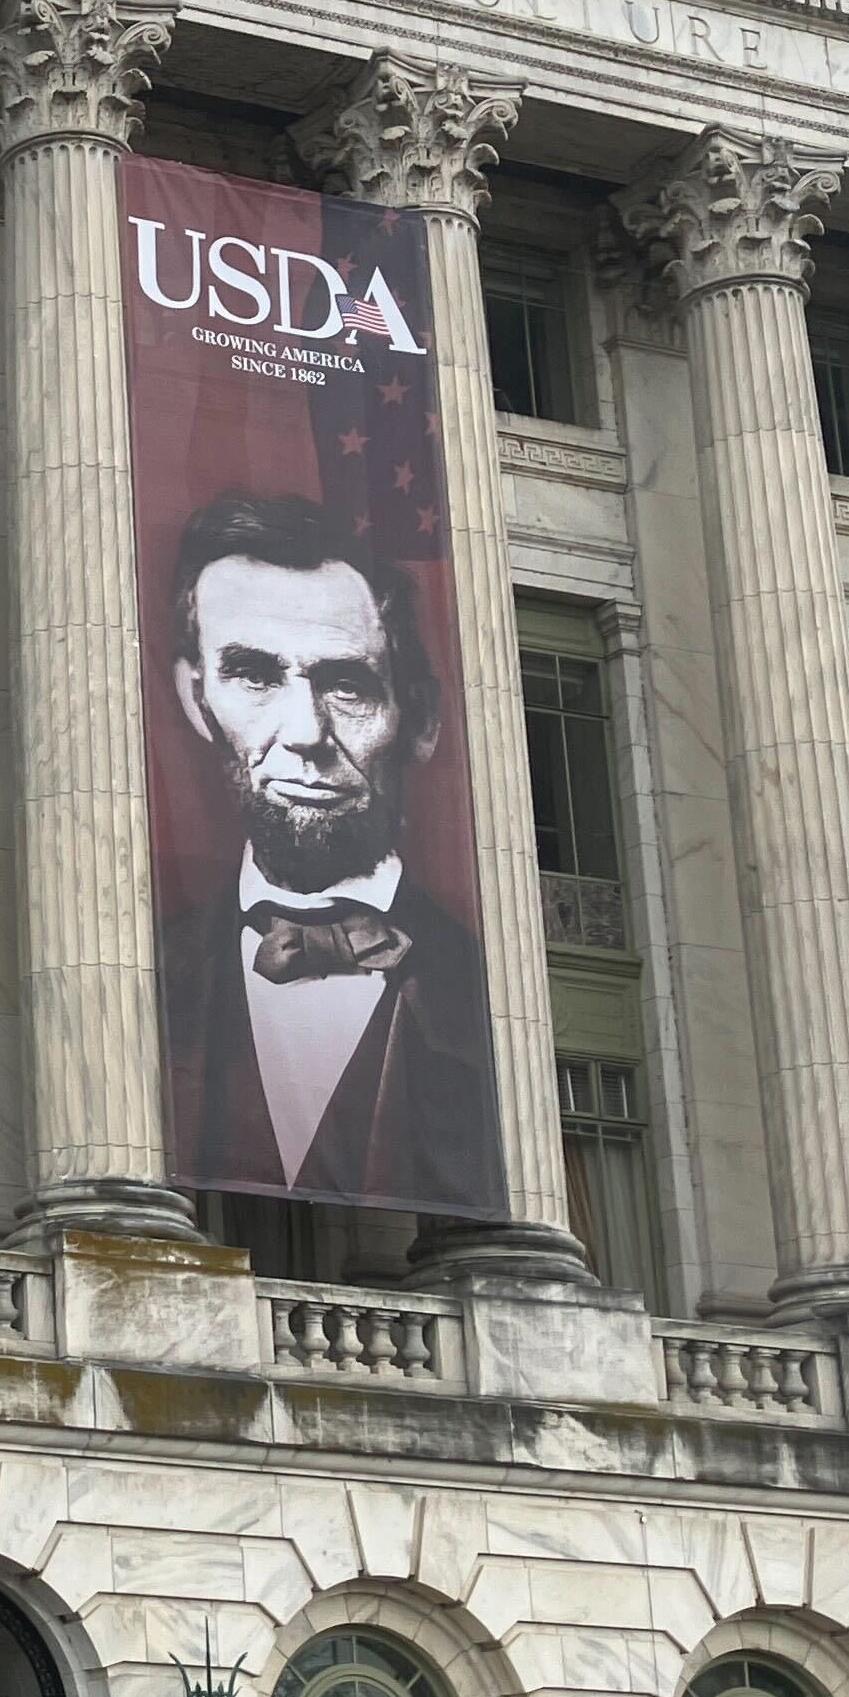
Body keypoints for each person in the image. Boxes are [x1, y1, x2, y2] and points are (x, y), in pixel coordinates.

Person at [154, 491, 501, 1215]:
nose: (306, 733)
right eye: (254, 675)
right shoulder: (153, 969)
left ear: (422, 720)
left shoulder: (487, 986)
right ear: (196, 697)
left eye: (347, 685)